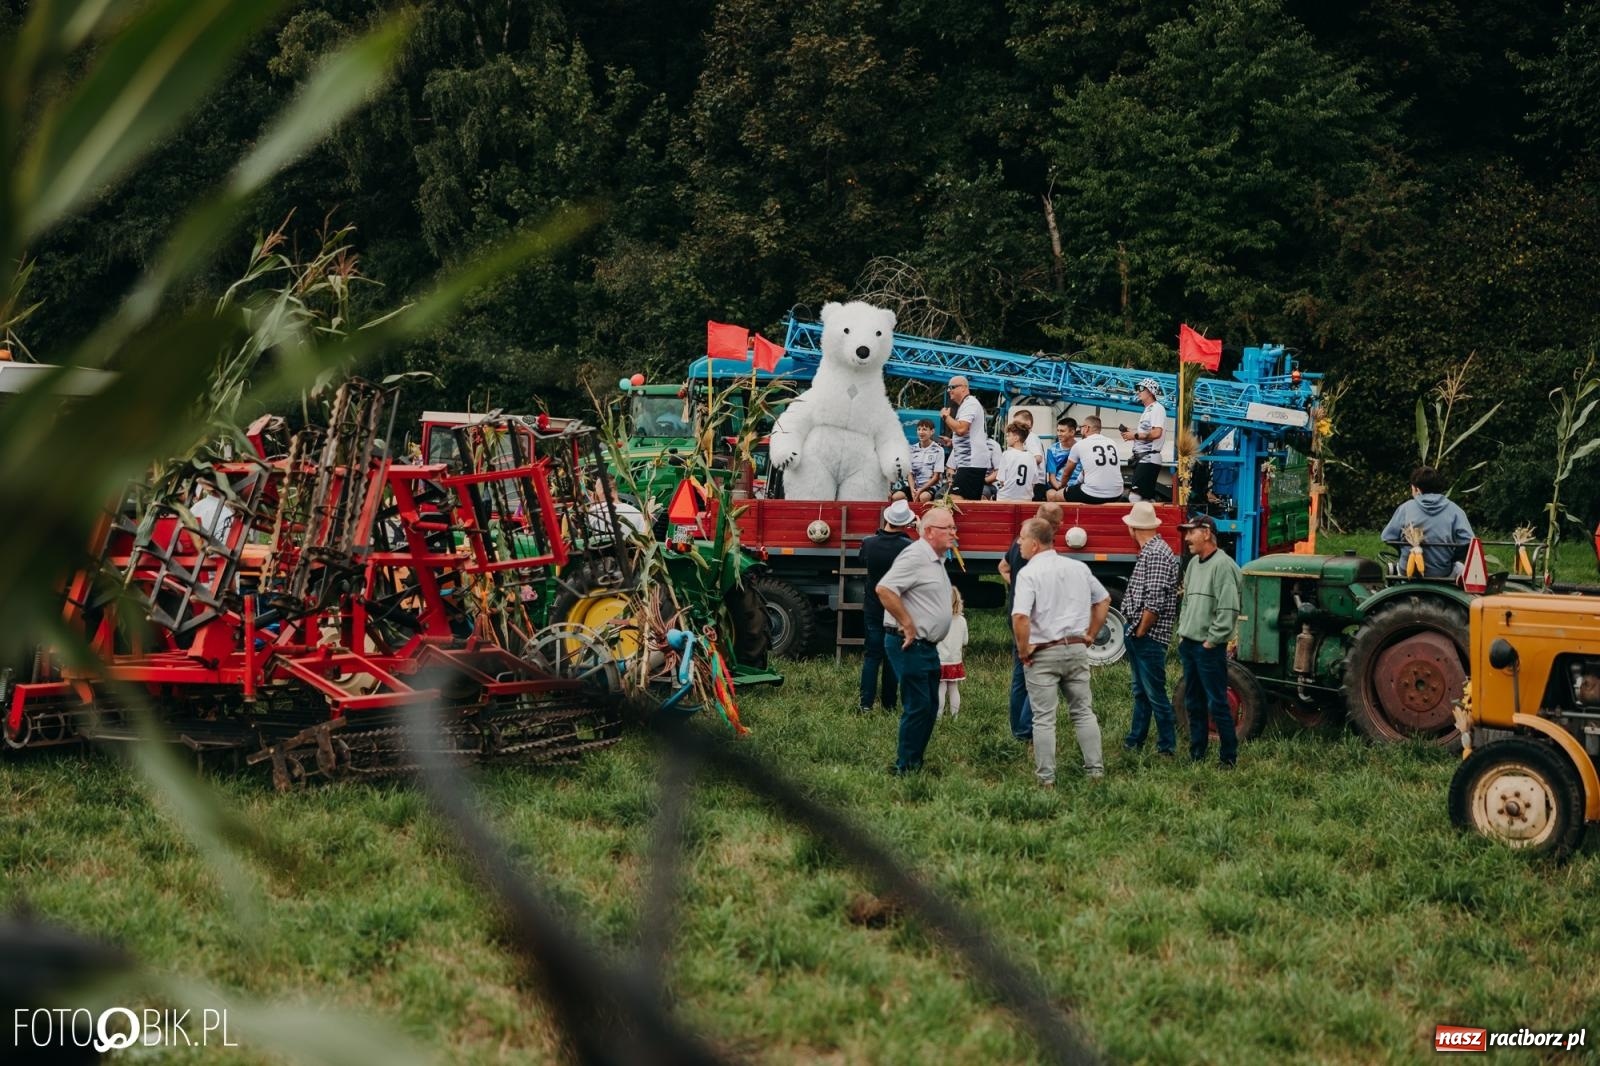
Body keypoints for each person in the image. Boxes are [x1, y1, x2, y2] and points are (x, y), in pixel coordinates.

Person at [1012, 516, 1111, 784]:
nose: (1019, 543)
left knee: (1044, 718)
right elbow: (1103, 599)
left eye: (1022, 538)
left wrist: (1023, 649)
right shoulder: (1078, 567)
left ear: (1034, 544)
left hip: (1043, 651)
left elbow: (1020, 616)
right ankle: (1095, 771)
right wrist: (1091, 634)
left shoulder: (1028, 573)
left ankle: (1046, 778)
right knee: (1083, 711)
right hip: (1076, 648)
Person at [876, 509, 958, 774]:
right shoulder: (915, 556)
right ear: (930, 531)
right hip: (910, 644)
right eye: (948, 528)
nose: (954, 533)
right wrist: (907, 623)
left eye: (954, 528)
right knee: (918, 706)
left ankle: (914, 761)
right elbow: (885, 589)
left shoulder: (936, 558)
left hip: (927, 646)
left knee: (929, 706)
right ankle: (906, 768)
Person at [1175, 514, 1244, 767]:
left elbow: (1228, 610)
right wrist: (1183, 632)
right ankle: (1197, 753)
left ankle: (1228, 758)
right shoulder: (1194, 564)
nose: (1186, 538)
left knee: (1217, 703)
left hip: (1208, 648)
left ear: (1206, 533)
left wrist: (1212, 641)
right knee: (1193, 702)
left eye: (1191, 532)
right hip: (1189, 644)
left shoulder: (1224, 566)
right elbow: (1186, 602)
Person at [998, 503, 1065, 743]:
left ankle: (1017, 727)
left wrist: (1017, 585)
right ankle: (1026, 729)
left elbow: (1002, 567)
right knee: (1039, 676)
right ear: (1056, 526)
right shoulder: (1041, 552)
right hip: (1034, 620)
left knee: (1020, 675)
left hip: (1016, 614)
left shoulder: (1020, 541)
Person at [1119, 501, 1180, 756]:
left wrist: (1140, 631)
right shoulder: (1155, 551)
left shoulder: (1155, 554)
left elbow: (1154, 601)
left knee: (1154, 693)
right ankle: (1136, 740)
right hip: (1142, 633)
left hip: (1148, 636)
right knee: (1143, 692)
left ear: (1133, 528)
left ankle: (1167, 746)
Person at [857, 500, 917, 714]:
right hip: (896, 609)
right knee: (892, 656)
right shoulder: (908, 546)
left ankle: (865, 704)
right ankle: (889, 704)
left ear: (887, 519)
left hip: (873, 605)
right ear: (905, 523)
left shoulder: (868, 543)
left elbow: (861, 561)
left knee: (872, 655)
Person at [1380, 465, 1475, 578]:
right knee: (1461, 568)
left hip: (1408, 571)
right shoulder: (1455, 510)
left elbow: (1387, 537)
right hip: (1441, 572)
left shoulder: (1405, 508)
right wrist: (1452, 557)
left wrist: (1404, 551)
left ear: (1417, 489)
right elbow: (1468, 542)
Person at [941, 376, 988, 500]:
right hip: (970, 462)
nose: (949, 390)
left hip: (971, 462)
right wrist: (952, 442)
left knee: (954, 500)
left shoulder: (969, 404)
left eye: (952, 387)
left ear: (963, 388)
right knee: (967, 502)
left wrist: (946, 417)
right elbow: (969, 434)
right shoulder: (966, 404)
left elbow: (961, 429)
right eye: (948, 388)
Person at [1122, 378, 1167, 503]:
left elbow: (1157, 433)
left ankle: (1143, 515)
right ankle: (1150, 514)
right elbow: (1148, 432)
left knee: (1135, 497)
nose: (1138, 391)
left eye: (1141, 388)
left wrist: (1134, 435)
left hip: (1148, 458)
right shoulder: (1149, 409)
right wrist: (1132, 433)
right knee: (1146, 498)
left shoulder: (1157, 408)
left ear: (1150, 391)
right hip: (1145, 458)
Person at [1062, 416, 1124, 503]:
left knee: (1053, 496)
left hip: (1092, 494)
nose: (1080, 430)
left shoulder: (1080, 444)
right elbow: (1087, 470)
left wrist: (1062, 488)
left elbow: (1066, 473)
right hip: (1117, 493)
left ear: (1086, 428)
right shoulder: (1112, 442)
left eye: (1081, 427)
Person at [936, 586, 968, 718]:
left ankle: (938, 716)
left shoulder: (939, 620)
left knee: (941, 688)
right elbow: (965, 641)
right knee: (954, 688)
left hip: (940, 660)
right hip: (955, 661)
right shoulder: (962, 620)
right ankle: (955, 716)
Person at [994, 422, 1041, 502]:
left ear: (1016, 438)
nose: (1006, 438)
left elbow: (1002, 480)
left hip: (1006, 498)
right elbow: (1033, 482)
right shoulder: (1031, 457)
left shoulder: (1006, 454)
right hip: (1026, 499)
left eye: (1008, 436)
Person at [1043, 416, 1079, 502]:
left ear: (1072, 432)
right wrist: (1060, 488)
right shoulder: (1052, 449)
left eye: (1062, 431)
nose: (1059, 433)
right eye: (1058, 430)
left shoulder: (1081, 447)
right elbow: (1052, 476)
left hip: (1077, 486)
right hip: (1058, 486)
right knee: (1051, 495)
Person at [909, 419, 945, 502]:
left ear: (932, 431)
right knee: (897, 496)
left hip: (931, 486)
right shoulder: (912, 449)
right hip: (915, 486)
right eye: (919, 429)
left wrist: (920, 490)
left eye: (924, 429)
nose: (921, 432)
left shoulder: (938, 449)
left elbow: (936, 477)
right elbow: (909, 473)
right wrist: (912, 490)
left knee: (923, 497)